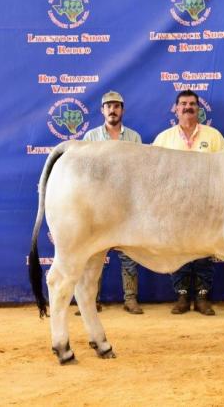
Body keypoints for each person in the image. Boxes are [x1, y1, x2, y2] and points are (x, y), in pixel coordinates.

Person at [152, 89, 224, 316]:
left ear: (198, 108)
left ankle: (203, 297)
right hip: (175, 206)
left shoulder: (213, 136)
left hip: (207, 205)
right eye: (183, 104)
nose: (187, 107)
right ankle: (182, 296)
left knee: (204, 251)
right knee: (178, 251)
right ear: (176, 109)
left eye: (192, 103)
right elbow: (153, 173)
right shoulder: (164, 138)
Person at [79, 90, 144, 315]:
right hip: (98, 204)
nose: (113, 110)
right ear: (102, 110)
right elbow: (84, 172)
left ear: (122, 110)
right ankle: (90, 300)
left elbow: (139, 172)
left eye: (117, 106)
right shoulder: (90, 138)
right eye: (109, 106)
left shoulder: (134, 138)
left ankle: (131, 299)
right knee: (93, 254)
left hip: (127, 204)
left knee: (130, 254)